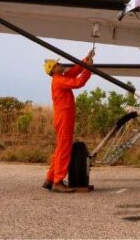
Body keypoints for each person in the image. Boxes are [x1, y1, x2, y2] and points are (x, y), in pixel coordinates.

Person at [42, 48, 94, 192]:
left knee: (61, 147)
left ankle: (50, 179)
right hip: (64, 117)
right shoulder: (59, 80)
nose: (60, 64)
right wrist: (89, 69)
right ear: (54, 69)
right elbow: (78, 82)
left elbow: (75, 71)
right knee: (64, 149)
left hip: (63, 117)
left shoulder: (60, 77)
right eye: (57, 64)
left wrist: (86, 59)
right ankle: (58, 182)